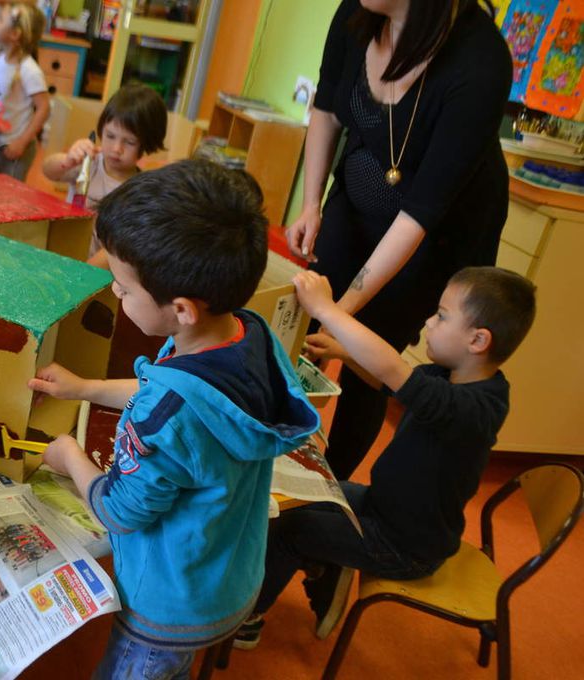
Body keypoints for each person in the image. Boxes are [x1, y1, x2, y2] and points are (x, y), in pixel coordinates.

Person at [30, 159, 320, 678]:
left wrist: (69, 455)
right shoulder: (245, 333)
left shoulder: (163, 415)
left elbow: (121, 512)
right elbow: (172, 393)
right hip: (223, 575)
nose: (115, 294)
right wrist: (86, 388)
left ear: (182, 309)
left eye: (122, 287)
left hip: (166, 608)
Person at [235, 266, 536, 648]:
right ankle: (324, 565)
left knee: (292, 532)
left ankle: (247, 618)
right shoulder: (449, 376)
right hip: (382, 507)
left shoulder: (474, 409)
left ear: (477, 340)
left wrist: (328, 311)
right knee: (295, 501)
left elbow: (395, 372)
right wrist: (345, 353)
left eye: (441, 316)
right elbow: (392, 383)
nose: (428, 322)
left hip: (404, 545)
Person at [285, 0, 513, 480]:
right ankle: (276, 457)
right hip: (361, 197)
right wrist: (311, 203)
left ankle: (332, 489)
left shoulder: (481, 61)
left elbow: (420, 214)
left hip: (435, 233)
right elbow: (326, 107)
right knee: (302, 323)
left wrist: (341, 311)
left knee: (369, 355)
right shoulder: (357, 13)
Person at [41, 81, 167, 267]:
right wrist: (67, 160)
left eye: (129, 142)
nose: (117, 149)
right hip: (59, 257)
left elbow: (115, 252)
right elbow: (48, 170)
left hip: (94, 274)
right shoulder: (89, 163)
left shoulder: (139, 192)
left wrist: (84, 273)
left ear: (146, 144)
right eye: (110, 136)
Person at [0, 1, 48, 180]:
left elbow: (43, 108)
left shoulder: (29, 70)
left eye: (0, 19)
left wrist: (22, 142)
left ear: (15, 34)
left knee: (9, 197)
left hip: (17, 147)